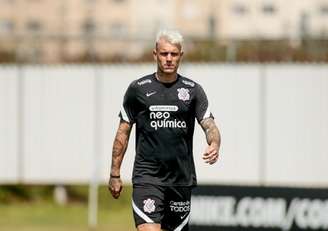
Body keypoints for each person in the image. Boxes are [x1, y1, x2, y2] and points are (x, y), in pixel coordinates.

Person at [108, 29, 221, 231]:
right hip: (147, 179)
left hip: (180, 181)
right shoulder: (138, 89)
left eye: (174, 54)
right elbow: (122, 132)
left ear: (181, 56)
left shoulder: (193, 90)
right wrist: (115, 173)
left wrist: (214, 142)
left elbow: (209, 123)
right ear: (155, 55)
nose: (169, 59)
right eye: (164, 53)